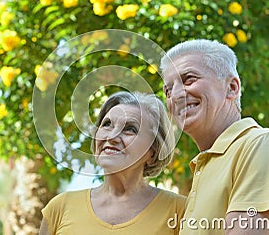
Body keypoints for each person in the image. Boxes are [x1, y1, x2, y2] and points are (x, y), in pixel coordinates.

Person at [160, 39, 269, 234]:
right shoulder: (203, 167)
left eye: (189, 79)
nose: (176, 95)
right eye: (168, 90)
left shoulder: (260, 145)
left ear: (232, 87)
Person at [39, 91, 186, 235]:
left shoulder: (180, 210)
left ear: (153, 151)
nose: (112, 136)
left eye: (130, 129)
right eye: (107, 124)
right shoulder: (59, 208)